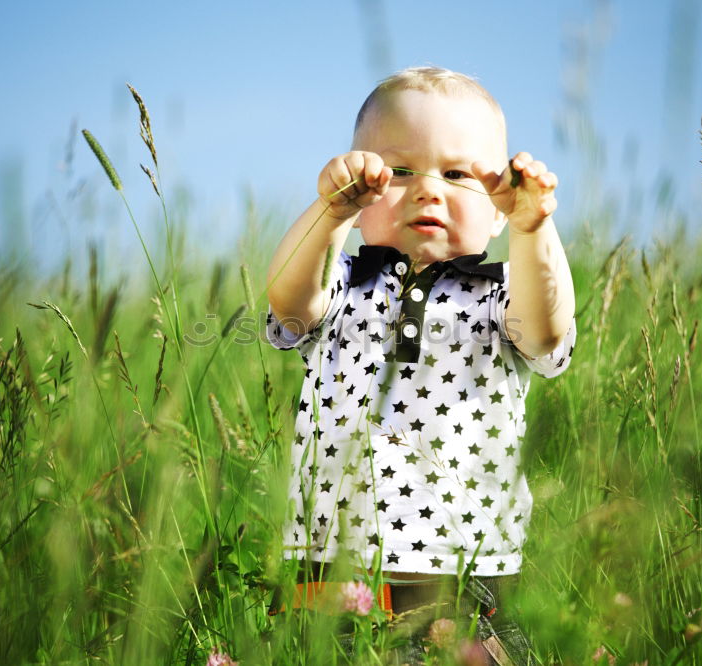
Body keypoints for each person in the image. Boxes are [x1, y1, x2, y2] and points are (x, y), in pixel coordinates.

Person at [264, 66, 576, 662]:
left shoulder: (500, 296)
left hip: (461, 582)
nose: (427, 189)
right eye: (399, 171)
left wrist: (535, 228)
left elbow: (547, 328)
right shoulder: (344, 286)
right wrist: (328, 214)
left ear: (497, 210)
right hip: (326, 574)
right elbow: (287, 298)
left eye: (457, 174)